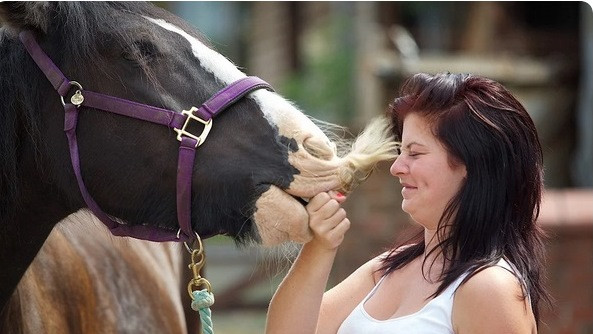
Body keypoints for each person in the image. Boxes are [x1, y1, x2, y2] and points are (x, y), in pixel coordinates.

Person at [265, 72, 549, 334]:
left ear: (472, 165)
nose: (397, 167)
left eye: (415, 153)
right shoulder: (387, 269)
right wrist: (320, 246)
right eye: (401, 151)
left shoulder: (490, 288)